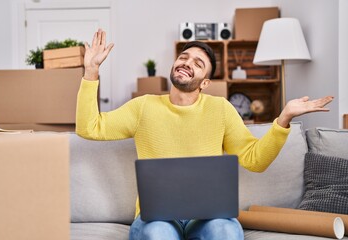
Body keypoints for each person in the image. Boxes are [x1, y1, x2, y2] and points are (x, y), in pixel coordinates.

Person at [76, 29, 333, 240]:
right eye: (184, 58)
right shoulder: (143, 106)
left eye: (198, 64)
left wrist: (284, 118)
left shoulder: (219, 108)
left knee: (226, 231)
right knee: (157, 233)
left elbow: (255, 160)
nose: (187, 63)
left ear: (205, 82)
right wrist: (91, 72)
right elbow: (89, 127)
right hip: (156, 218)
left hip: (207, 217)